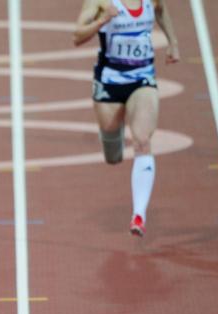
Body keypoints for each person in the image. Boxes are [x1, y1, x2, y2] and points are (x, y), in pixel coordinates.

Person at [74, 0, 179, 236]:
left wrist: (173, 41)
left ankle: (138, 215)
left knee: (142, 140)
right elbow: (77, 36)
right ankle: (116, 125)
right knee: (113, 156)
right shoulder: (100, 2)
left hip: (142, 79)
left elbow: (161, 11)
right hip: (109, 81)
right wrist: (102, 21)